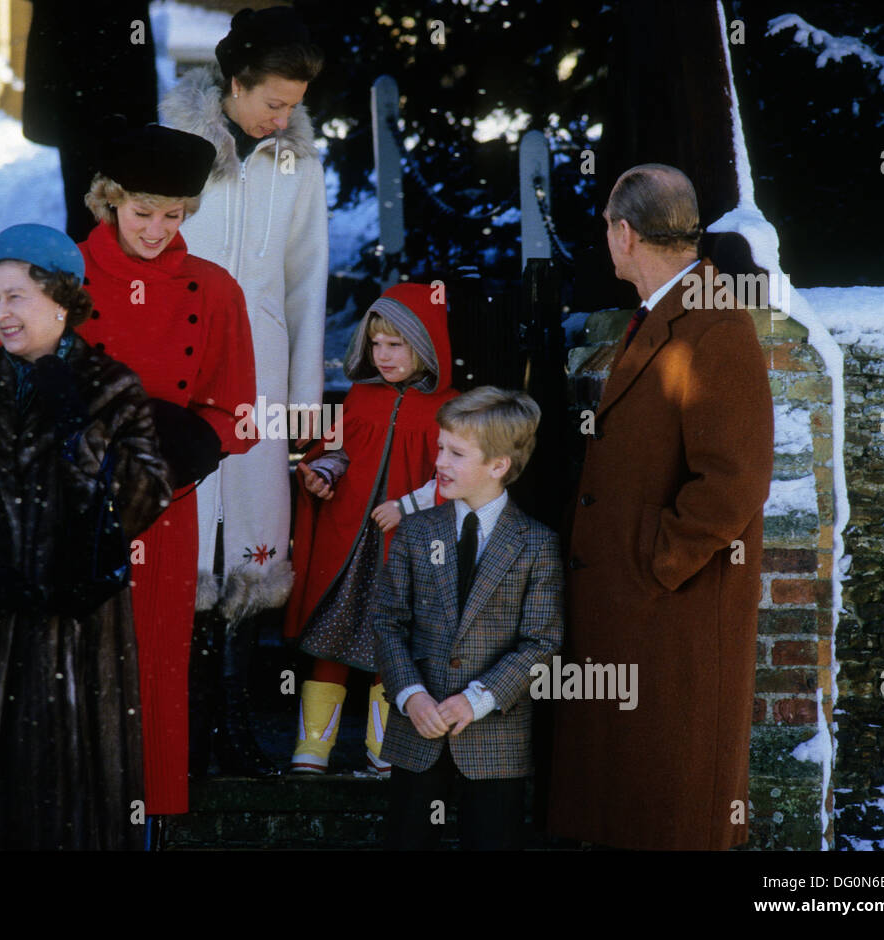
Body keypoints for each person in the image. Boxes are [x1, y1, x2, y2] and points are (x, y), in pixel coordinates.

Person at [0, 224, 172, 850]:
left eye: (15, 297)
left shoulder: (110, 386)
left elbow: (143, 496)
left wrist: (80, 429)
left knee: (71, 800)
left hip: (78, 638)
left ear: (61, 298)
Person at [546, 164, 774, 850]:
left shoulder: (715, 325)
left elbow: (733, 480)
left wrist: (655, 564)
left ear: (623, 233)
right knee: (631, 805)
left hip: (674, 615)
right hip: (638, 613)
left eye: (608, 231)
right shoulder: (668, 310)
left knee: (673, 811)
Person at [160, 4, 327, 776]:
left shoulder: (299, 163)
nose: (283, 117)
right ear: (234, 83)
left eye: (293, 105)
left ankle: (232, 713)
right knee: (187, 534)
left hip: (260, 367)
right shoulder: (178, 147)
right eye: (272, 102)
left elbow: (305, 285)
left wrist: (299, 405)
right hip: (186, 367)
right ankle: (182, 717)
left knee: (253, 546)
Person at [76, 121, 258, 828]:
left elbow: (237, 413)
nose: (156, 230)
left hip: (168, 504)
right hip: (76, 499)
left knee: (154, 664)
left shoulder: (214, 290)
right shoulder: (66, 276)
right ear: (109, 199)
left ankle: (145, 825)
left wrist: (167, 459)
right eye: (142, 212)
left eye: (173, 215)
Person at [372, 387, 564, 850]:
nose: (439, 462)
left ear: (498, 465)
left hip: (495, 739)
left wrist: (475, 700)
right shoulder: (417, 531)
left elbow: (542, 642)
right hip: (416, 730)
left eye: (456, 453)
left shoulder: (536, 543)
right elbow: (387, 622)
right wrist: (411, 695)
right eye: (440, 448)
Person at [285, 283, 458, 776]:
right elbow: (335, 451)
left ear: (425, 345)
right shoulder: (360, 397)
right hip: (350, 551)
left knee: (394, 646)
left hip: (405, 553)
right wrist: (323, 473)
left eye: (395, 345)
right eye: (375, 344)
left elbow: (461, 478)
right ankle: (311, 750)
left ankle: (384, 754)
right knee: (330, 638)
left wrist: (407, 505)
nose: (382, 356)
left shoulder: (452, 408)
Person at [21, 1, 157, 240]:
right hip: (74, 87)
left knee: (120, 192)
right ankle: (89, 260)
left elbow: (137, 32)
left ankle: (105, 257)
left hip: (115, 84)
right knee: (84, 197)